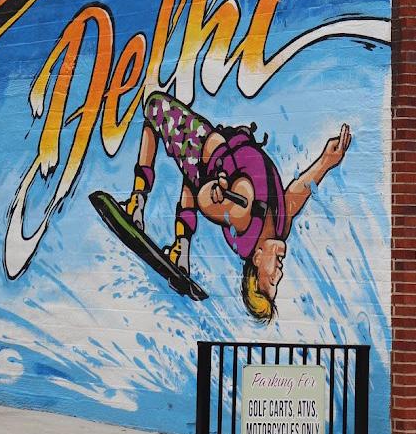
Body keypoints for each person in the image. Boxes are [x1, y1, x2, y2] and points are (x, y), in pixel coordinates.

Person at [119, 91, 351, 321]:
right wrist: (326, 161)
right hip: (216, 154)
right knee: (190, 176)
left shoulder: (244, 220)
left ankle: (137, 201)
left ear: (257, 260)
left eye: (271, 280)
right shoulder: (280, 227)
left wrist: (214, 192)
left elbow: (205, 202)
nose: (280, 274)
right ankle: (181, 248)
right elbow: (294, 194)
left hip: (202, 147)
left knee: (154, 108)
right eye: (278, 282)